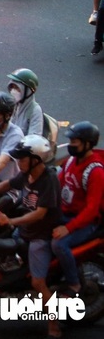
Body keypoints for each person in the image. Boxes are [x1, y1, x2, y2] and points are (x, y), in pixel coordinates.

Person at [0, 135, 60, 336]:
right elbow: (8, 184)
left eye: (22, 159)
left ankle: (54, 325)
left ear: (36, 159)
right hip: (23, 230)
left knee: (38, 282)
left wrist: (11, 222)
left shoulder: (48, 180)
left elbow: (40, 214)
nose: (18, 162)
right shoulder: (27, 174)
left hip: (39, 237)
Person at [52, 122, 104, 297]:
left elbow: (91, 210)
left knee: (58, 244)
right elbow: (56, 186)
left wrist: (67, 228)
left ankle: (74, 285)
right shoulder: (70, 162)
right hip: (65, 214)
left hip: (85, 222)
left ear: (88, 144)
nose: (70, 145)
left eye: (75, 141)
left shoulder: (95, 172)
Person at [6, 67, 43, 138]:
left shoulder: (35, 110)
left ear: (28, 91)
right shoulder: (10, 104)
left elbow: (34, 138)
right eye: (12, 87)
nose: (13, 91)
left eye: (17, 88)